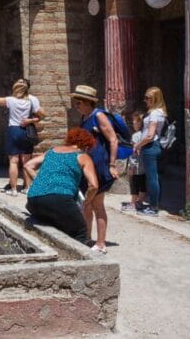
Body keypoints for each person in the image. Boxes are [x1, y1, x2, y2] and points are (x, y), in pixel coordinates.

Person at [24, 128, 99, 247]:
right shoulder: (82, 156)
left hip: (33, 200)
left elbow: (28, 165)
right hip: (59, 199)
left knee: (60, 223)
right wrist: (86, 201)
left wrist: (41, 181)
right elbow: (94, 186)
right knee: (80, 231)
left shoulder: (52, 151)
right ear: (86, 146)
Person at [71, 85, 119, 253]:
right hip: (87, 165)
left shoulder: (98, 115)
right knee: (87, 204)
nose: (76, 106)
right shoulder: (85, 117)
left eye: (78, 103)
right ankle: (88, 239)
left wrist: (112, 165)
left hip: (99, 165)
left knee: (97, 205)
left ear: (86, 102)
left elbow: (113, 140)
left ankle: (101, 244)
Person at [0, 79, 41, 196]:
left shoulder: (11, 100)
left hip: (13, 130)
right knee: (26, 162)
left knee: (13, 162)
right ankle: (27, 188)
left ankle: (13, 189)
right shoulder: (31, 100)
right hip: (26, 131)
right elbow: (41, 115)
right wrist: (30, 120)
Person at [134, 87, 167, 216]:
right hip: (155, 146)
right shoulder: (159, 112)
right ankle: (155, 204)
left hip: (150, 147)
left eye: (148, 98)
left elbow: (150, 135)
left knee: (152, 178)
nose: (145, 100)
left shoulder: (154, 114)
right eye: (145, 98)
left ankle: (153, 208)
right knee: (156, 178)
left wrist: (138, 145)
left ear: (156, 99)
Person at [122, 111, 147, 212]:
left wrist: (131, 165)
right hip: (144, 164)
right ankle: (140, 202)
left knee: (134, 183)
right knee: (142, 183)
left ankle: (133, 203)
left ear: (139, 123)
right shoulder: (146, 135)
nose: (133, 124)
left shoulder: (135, 136)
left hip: (136, 164)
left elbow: (134, 152)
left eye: (134, 122)